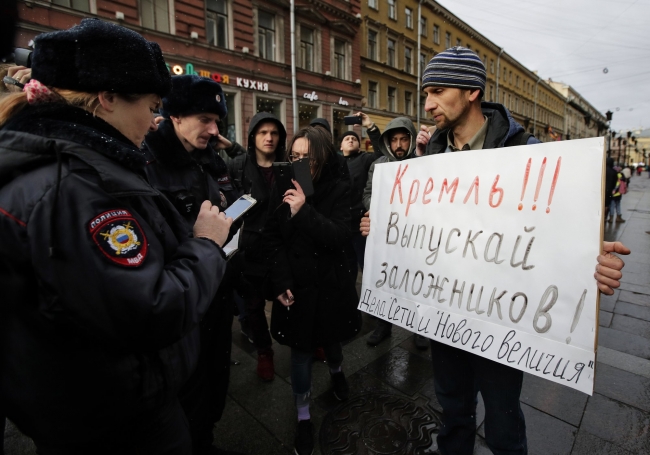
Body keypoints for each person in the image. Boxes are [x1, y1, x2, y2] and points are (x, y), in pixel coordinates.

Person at [360, 46, 630, 455]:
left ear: (472, 91)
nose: (428, 103)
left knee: (503, 418)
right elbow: (422, 224)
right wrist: (381, 227)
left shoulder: (525, 150)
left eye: (437, 91)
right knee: (453, 411)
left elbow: (558, 228)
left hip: (501, 319)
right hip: (444, 313)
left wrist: (591, 257)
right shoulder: (432, 152)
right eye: (426, 93)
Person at [0, 18, 233, 455]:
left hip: (92, 403)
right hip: (115, 418)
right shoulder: (75, 188)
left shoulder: (71, 169)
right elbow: (152, 309)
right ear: (107, 98)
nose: (154, 119)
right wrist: (205, 242)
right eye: (149, 104)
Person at [142, 75, 243, 455]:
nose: (214, 130)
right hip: (181, 301)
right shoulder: (148, 162)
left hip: (217, 291)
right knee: (185, 388)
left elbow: (227, 202)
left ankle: (205, 438)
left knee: (215, 381)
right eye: (205, 119)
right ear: (175, 116)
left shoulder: (211, 158)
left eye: (218, 120)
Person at [258, 126, 361, 455]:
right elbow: (273, 238)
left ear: (323, 158)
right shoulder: (283, 185)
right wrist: (281, 282)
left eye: (309, 158)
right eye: (295, 156)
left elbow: (339, 235)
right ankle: (303, 416)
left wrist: (304, 211)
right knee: (300, 354)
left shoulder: (339, 186)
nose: (301, 163)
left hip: (330, 286)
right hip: (298, 287)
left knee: (331, 340)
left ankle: (337, 371)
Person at [224, 112, 287, 381]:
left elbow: (307, 201)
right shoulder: (237, 165)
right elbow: (227, 208)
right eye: (263, 133)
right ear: (252, 137)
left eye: (274, 133)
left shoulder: (290, 166)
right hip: (250, 250)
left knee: (291, 298)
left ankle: (306, 339)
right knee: (253, 306)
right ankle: (264, 352)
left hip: (283, 248)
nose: (269, 138)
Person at [360, 114, 430, 350]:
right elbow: (368, 194)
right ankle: (383, 325)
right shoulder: (378, 165)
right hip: (388, 237)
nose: (398, 145)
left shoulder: (424, 161)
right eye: (394, 140)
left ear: (410, 140)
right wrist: (377, 209)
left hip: (416, 236)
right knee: (386, 282)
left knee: (416, 282)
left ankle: (419, 328)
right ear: (387, 142)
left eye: (403, 139)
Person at [339, 114, 384, 272]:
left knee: (367, 266)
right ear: (340, 147)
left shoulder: (365, 159)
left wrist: (370, 126)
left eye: (354, 138)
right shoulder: (336, 163)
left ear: (359, 145)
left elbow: (381, 154)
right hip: (342, 223)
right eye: (347, 139)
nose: (351, 140)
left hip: (361, 223)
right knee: (347, 268)